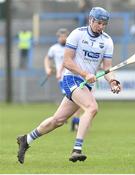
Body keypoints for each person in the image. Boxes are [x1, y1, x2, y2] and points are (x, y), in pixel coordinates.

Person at [17, 7, 121, 164]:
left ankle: (26, 139)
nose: (101, 26)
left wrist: (113, 81)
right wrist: (85, 74)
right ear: (91, 20)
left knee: (57, 120)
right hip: (71, 78)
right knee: (92, 108)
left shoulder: (107, 41)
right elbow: (67, 61)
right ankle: (77, 149)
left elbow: (107, 69)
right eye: (99, 23)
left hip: (85, 84)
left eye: (104, 24)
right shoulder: (77, 34)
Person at [44, 28, 80, 131]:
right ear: (58, 37)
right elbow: (47, 58)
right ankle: (71, 119)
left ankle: (72, 120)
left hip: (72, 76)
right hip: (62, 79)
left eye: (65, 36)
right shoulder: (54, 48)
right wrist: (48, 68)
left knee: (75, 99)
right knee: (73, 100)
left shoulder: (71, 47)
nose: (63, 38)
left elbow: (67, 61)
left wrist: (59, 71)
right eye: (61, 36)